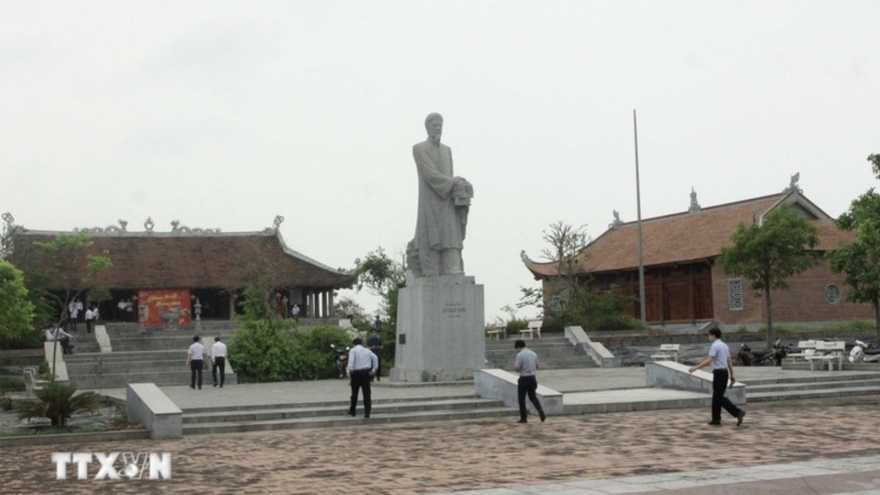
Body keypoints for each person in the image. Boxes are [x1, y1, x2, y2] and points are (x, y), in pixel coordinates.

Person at [407, 112, 473, 277]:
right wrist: (453, 181)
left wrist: (461, 186)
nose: (437, 128)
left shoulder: (447, 150)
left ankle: (452, 268)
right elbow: (430, 175)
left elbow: (449, 175)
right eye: (434, 125)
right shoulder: (419, 148)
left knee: (451, 238)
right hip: (430, 202)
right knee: (431, 244)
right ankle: (430, 268)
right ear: (427, 127)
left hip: (447, 202)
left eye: (440, 125)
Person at [689, 328, 746, 427]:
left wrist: (696, 368)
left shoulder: (715, 346)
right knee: (716, 397)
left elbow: (709, 361)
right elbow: (729, 362)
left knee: (718, 397)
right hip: (724, 372)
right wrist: (732, 375)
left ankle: (737, 412)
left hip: (719, 373)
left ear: (714, 335)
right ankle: (716, 419)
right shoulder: (724, 345)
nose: (709, 337)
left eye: (710, 335)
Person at [514, 339, 546, 424]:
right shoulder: (533, 353)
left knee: (521, 399)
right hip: (532, 378)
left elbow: (517, 368)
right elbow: (537, 366)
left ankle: (523, 418)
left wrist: (519, 369)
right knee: (533, 397)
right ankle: (540, 409)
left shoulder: (520, 355)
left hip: (524, 378)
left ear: (517, 347)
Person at [345, 337, 378, 419]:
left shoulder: (353, 350)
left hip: (356, 373)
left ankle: (353, 410)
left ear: (354, 344)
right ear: (361, 343)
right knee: (367, 393)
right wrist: (374, 370)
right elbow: (375, 358)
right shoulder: (367, 350)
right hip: (366, 373)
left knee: (354, 393)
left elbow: (351, 361)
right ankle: (367, 412)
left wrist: (348, 371)